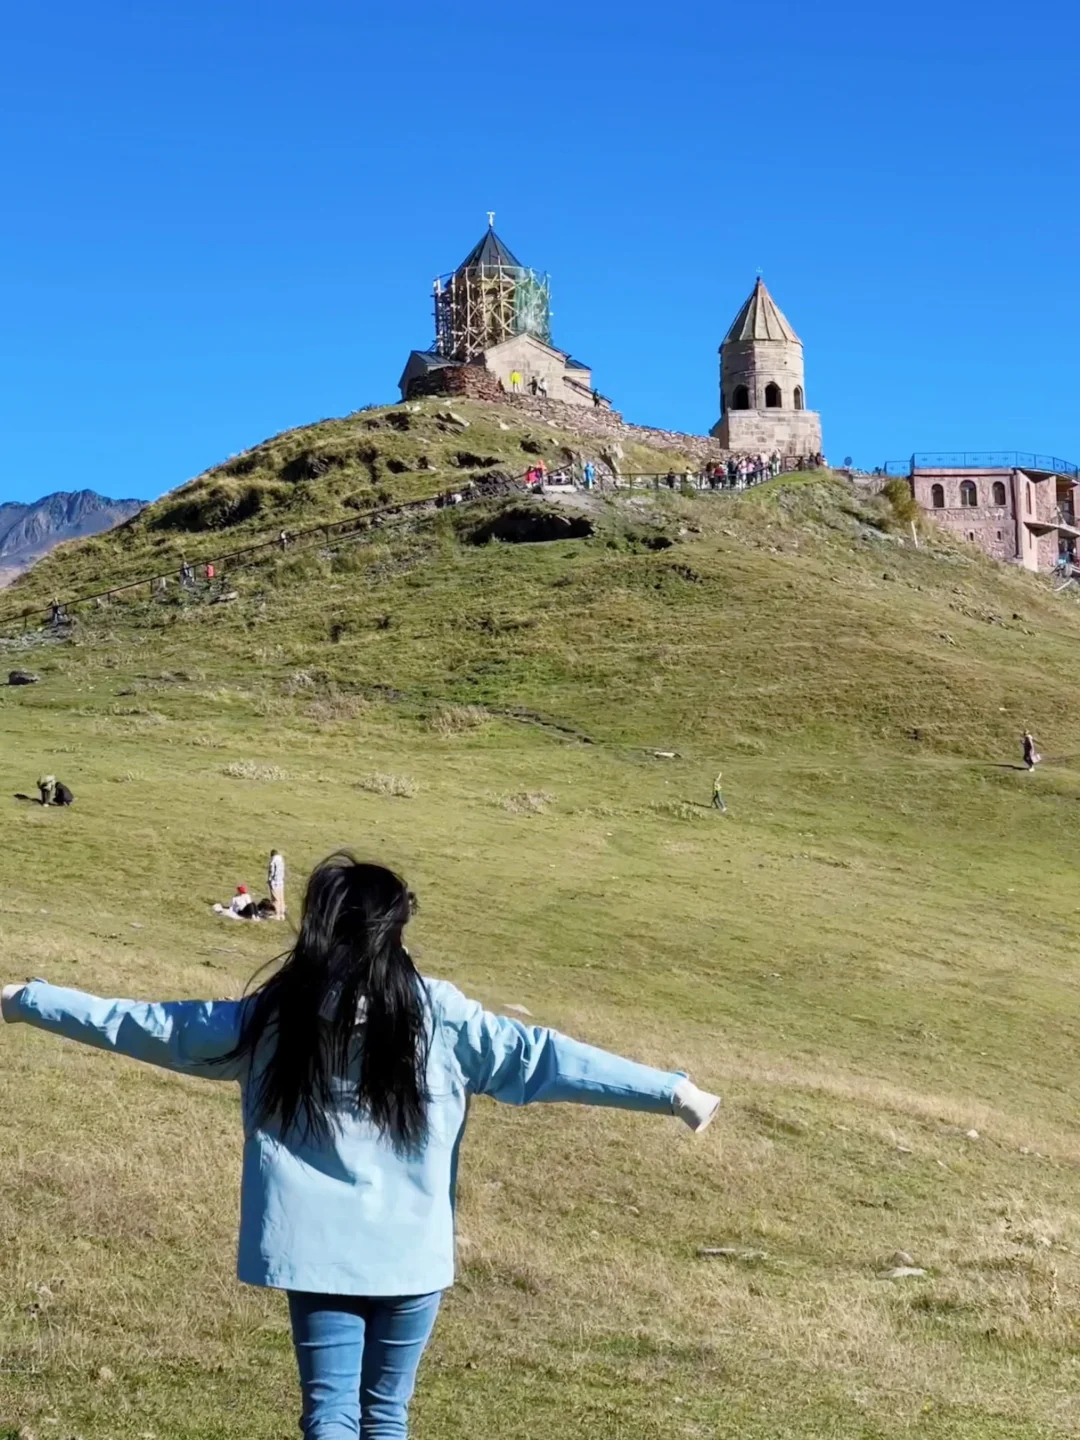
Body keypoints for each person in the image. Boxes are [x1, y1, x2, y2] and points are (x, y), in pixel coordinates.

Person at [0, 855, 720, 1439]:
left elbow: (149, 1026)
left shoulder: (272, 1017)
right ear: (395, 928)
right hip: (411, 1256)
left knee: (331, 1417)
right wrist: (671, 1090)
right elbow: (547, 1058)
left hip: (314, 1251)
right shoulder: (441, 1017)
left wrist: (26, 1000)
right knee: (385, 1417)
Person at [268, 849, 286, 921]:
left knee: (275, 898)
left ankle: (277, 914)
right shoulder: (281, 861)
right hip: (281, 882)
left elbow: (272, 871)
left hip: (274, 882)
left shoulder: (273, 861)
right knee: (281, 898)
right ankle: (282, 914)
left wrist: (270, 879)